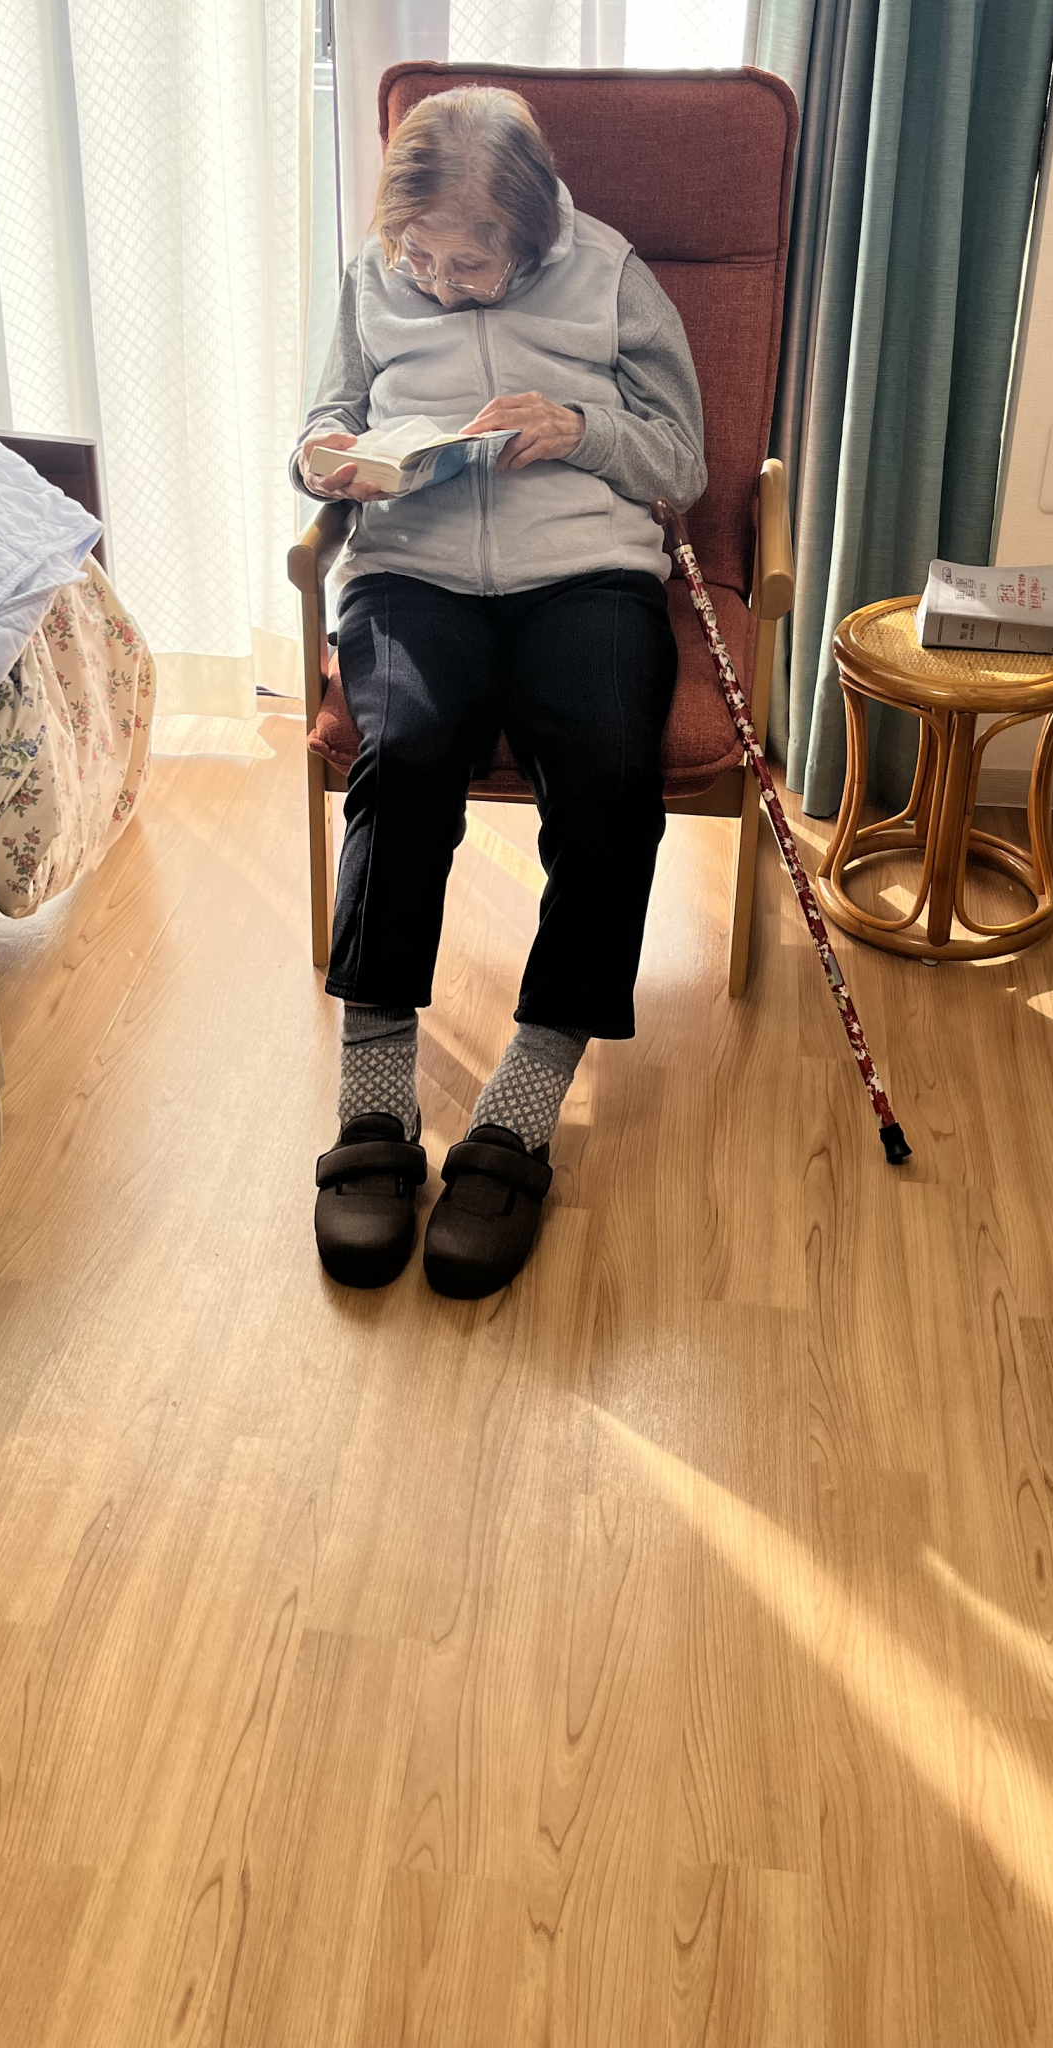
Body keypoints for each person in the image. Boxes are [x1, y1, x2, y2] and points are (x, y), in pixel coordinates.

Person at [294, 85, 706, 1299]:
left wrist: (578, 428)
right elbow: (323, 420)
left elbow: (681, 460)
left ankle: (523, 1098)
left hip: (583, 574)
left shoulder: (612, 276)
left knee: (614, 782)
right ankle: (374, 1097)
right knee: (407, 756)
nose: (436, 281)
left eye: (469, 264)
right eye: (418, 256)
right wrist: (326, 459)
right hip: (412, 572)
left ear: (530, 234)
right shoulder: (376, 273)